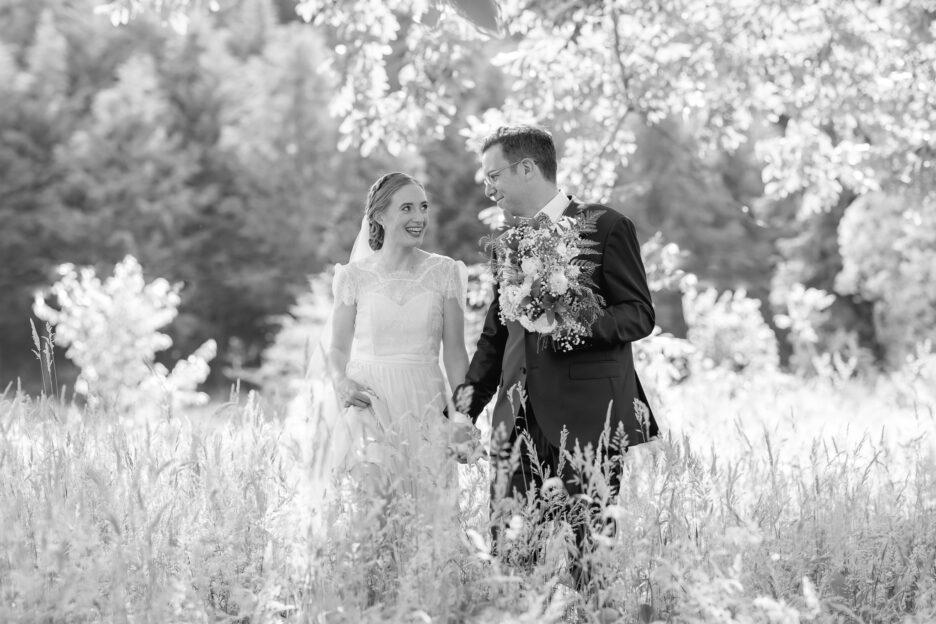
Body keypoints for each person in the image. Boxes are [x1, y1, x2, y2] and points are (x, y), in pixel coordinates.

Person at [453, 126, 659, 599]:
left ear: (527, 168)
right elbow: (495, 337)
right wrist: (465, 410)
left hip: (588, 420)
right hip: (516, 423)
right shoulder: (506, 245)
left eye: (494, 176)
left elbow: (639, 314)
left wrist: (572, 327)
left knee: (591, 563)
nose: (490, 189)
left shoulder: (606, 226)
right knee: (514, 563)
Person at [316, 171, 470, 509]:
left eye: (423, 207)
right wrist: (340, 381)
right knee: (373, 508)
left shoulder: (445, 273)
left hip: (425, 401)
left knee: (426, 518)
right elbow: (338, 346)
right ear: (380, 216)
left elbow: (456, 354)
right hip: (370, 400)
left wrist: (462, 417)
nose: (419, 218)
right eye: (407, 208)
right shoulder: (353, 276)